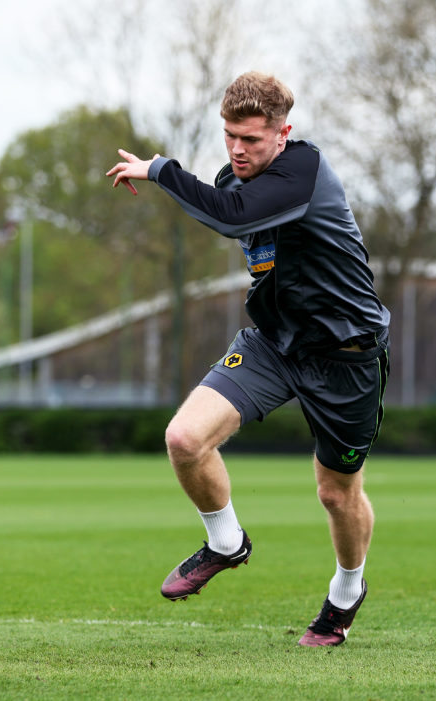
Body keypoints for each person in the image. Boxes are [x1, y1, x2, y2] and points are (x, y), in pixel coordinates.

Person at [106, 71, 390, 647]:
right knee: (184, 439)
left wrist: (162, 170)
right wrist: (175, 178)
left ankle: (345, 592)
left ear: (283, 134)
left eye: (252, 140)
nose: (237, 149)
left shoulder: (302, 173)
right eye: (229, 135)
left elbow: (231, 217)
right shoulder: (233, 175)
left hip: (345, 353)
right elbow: (221, 203)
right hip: (273, 344)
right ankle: (225, 542)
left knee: (337, 493)